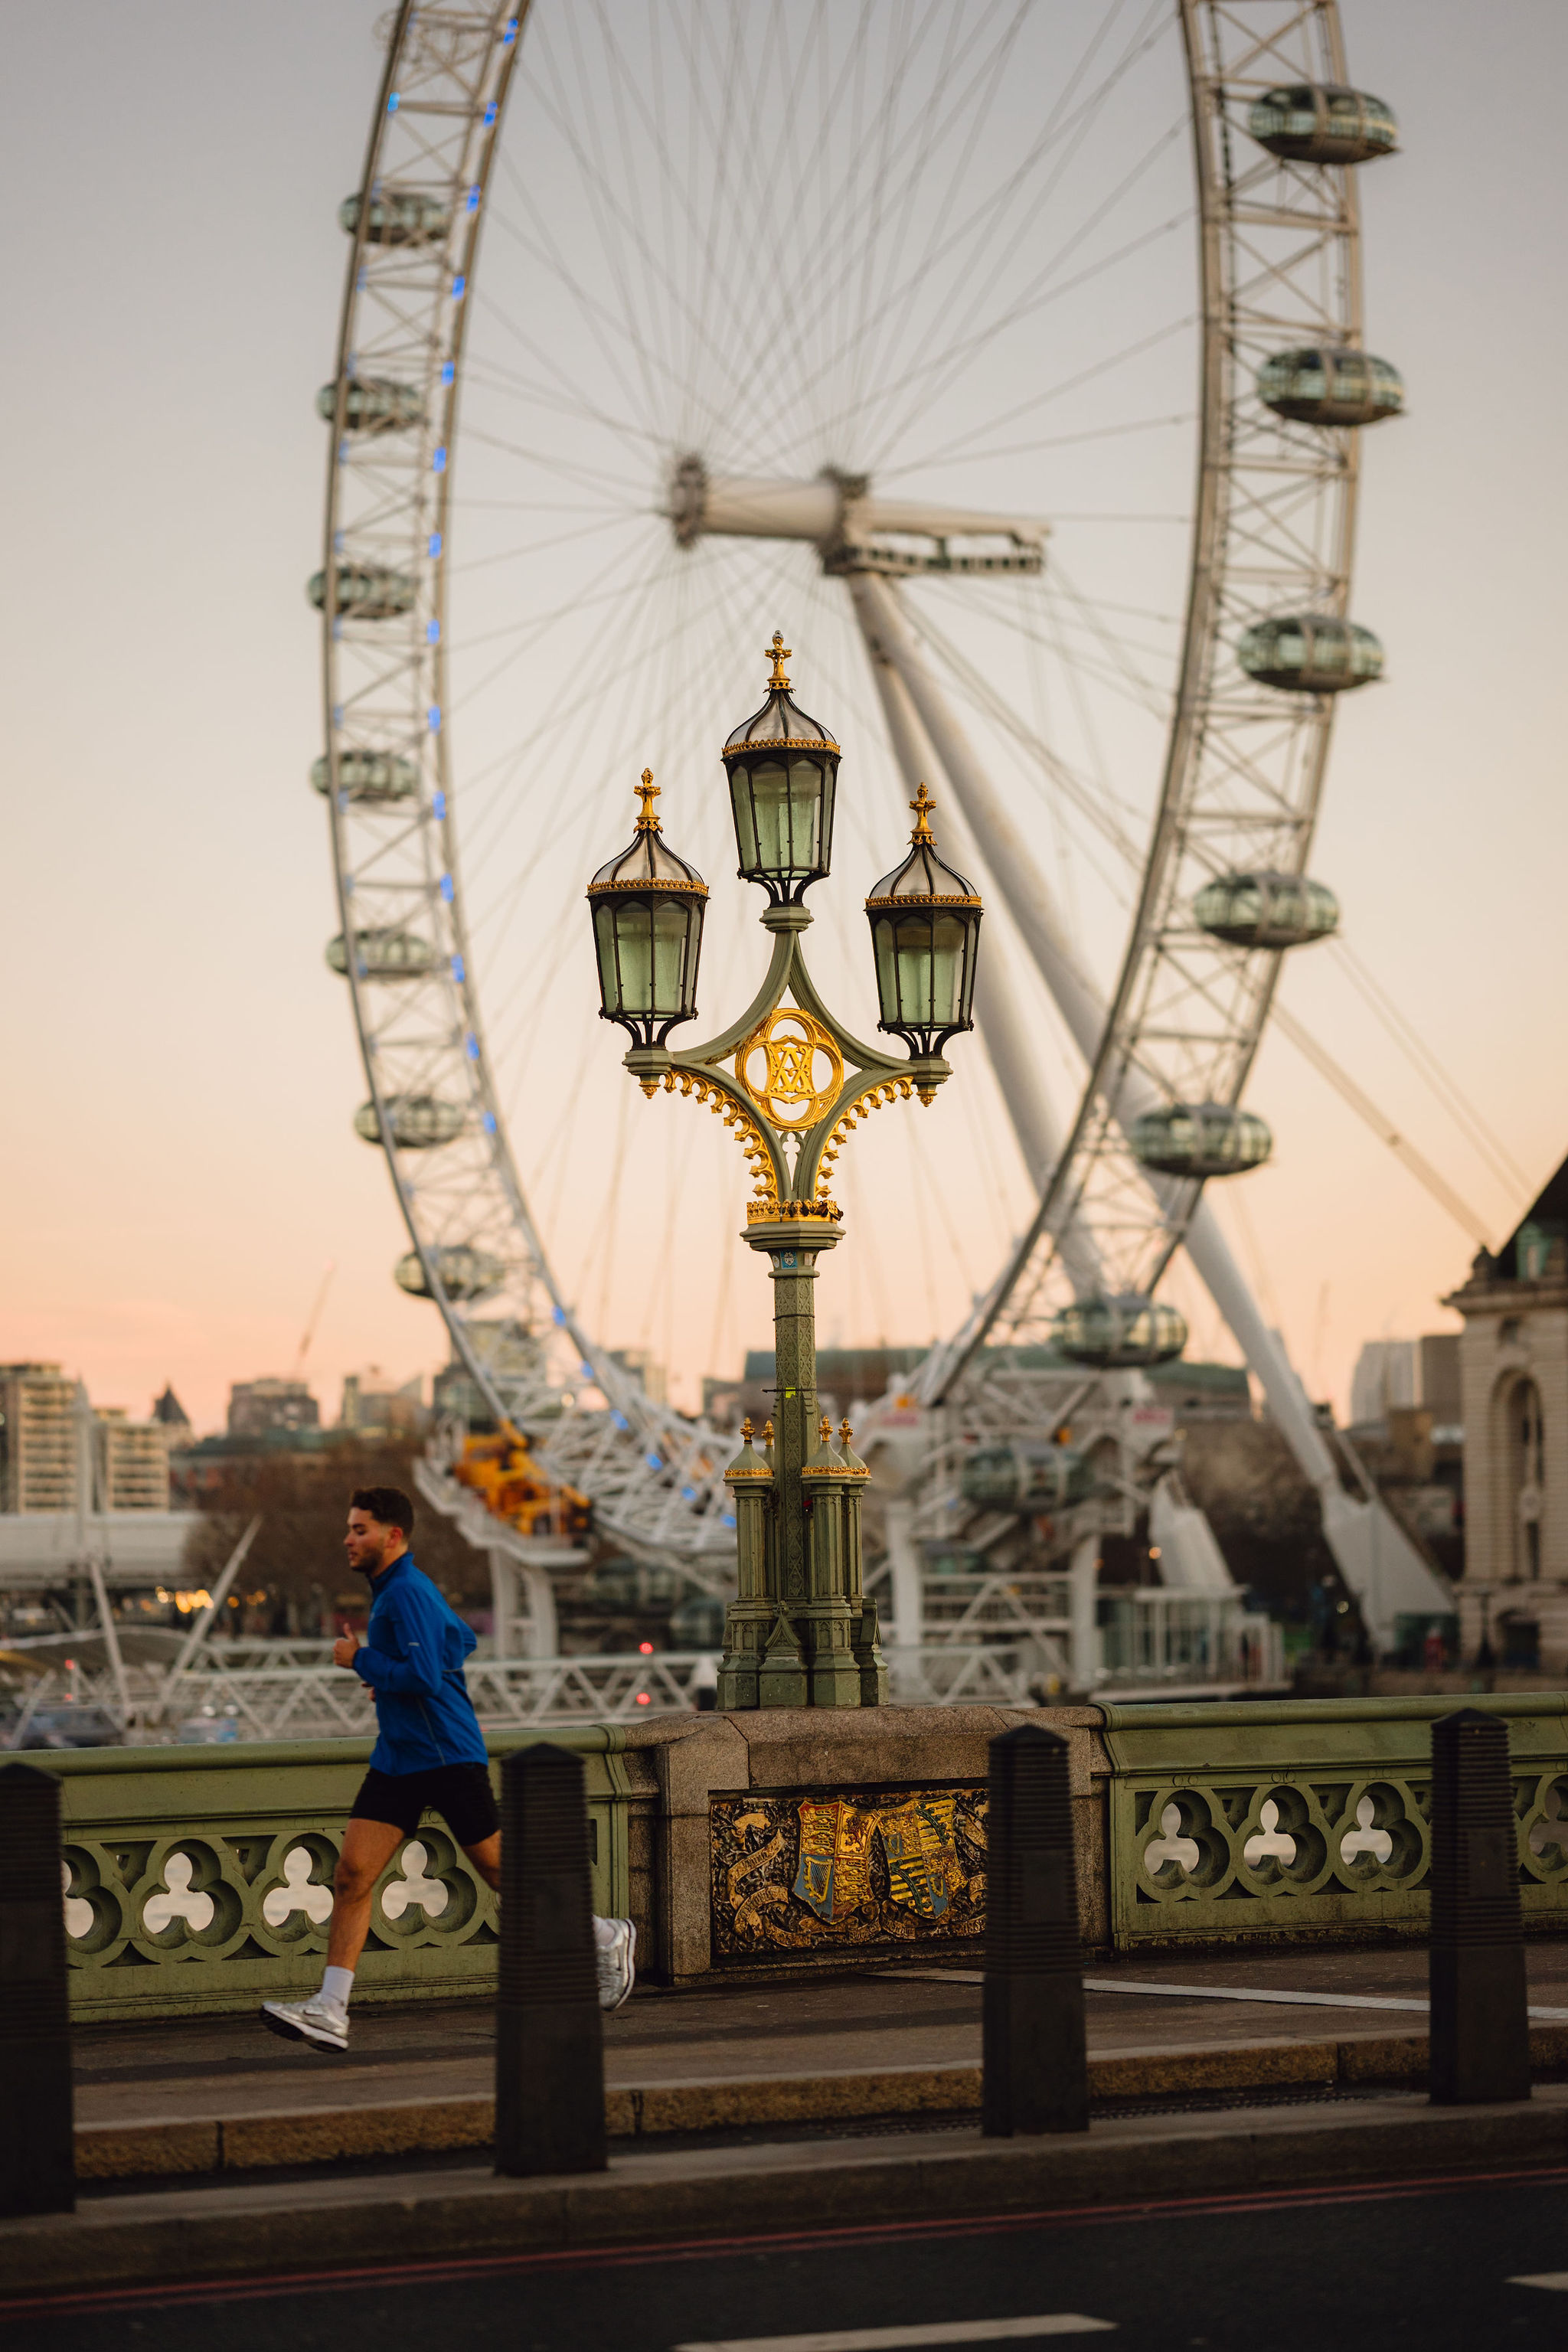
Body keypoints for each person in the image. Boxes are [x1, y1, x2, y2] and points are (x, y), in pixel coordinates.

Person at [261, 1485, 635, 2052]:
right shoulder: (397, 1591)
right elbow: (457, 1641)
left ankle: (605, 1935)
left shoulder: (405, 1591)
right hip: (399, 1758)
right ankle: (331, 2010)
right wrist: (387, 1680)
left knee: (499, 1873)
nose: (347, 1538)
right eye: (349, 1528)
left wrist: (360, 1660)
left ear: (393, 1535)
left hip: (444, 1756)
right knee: (352, 1876)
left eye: (359, 1529)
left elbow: (430, 1676)